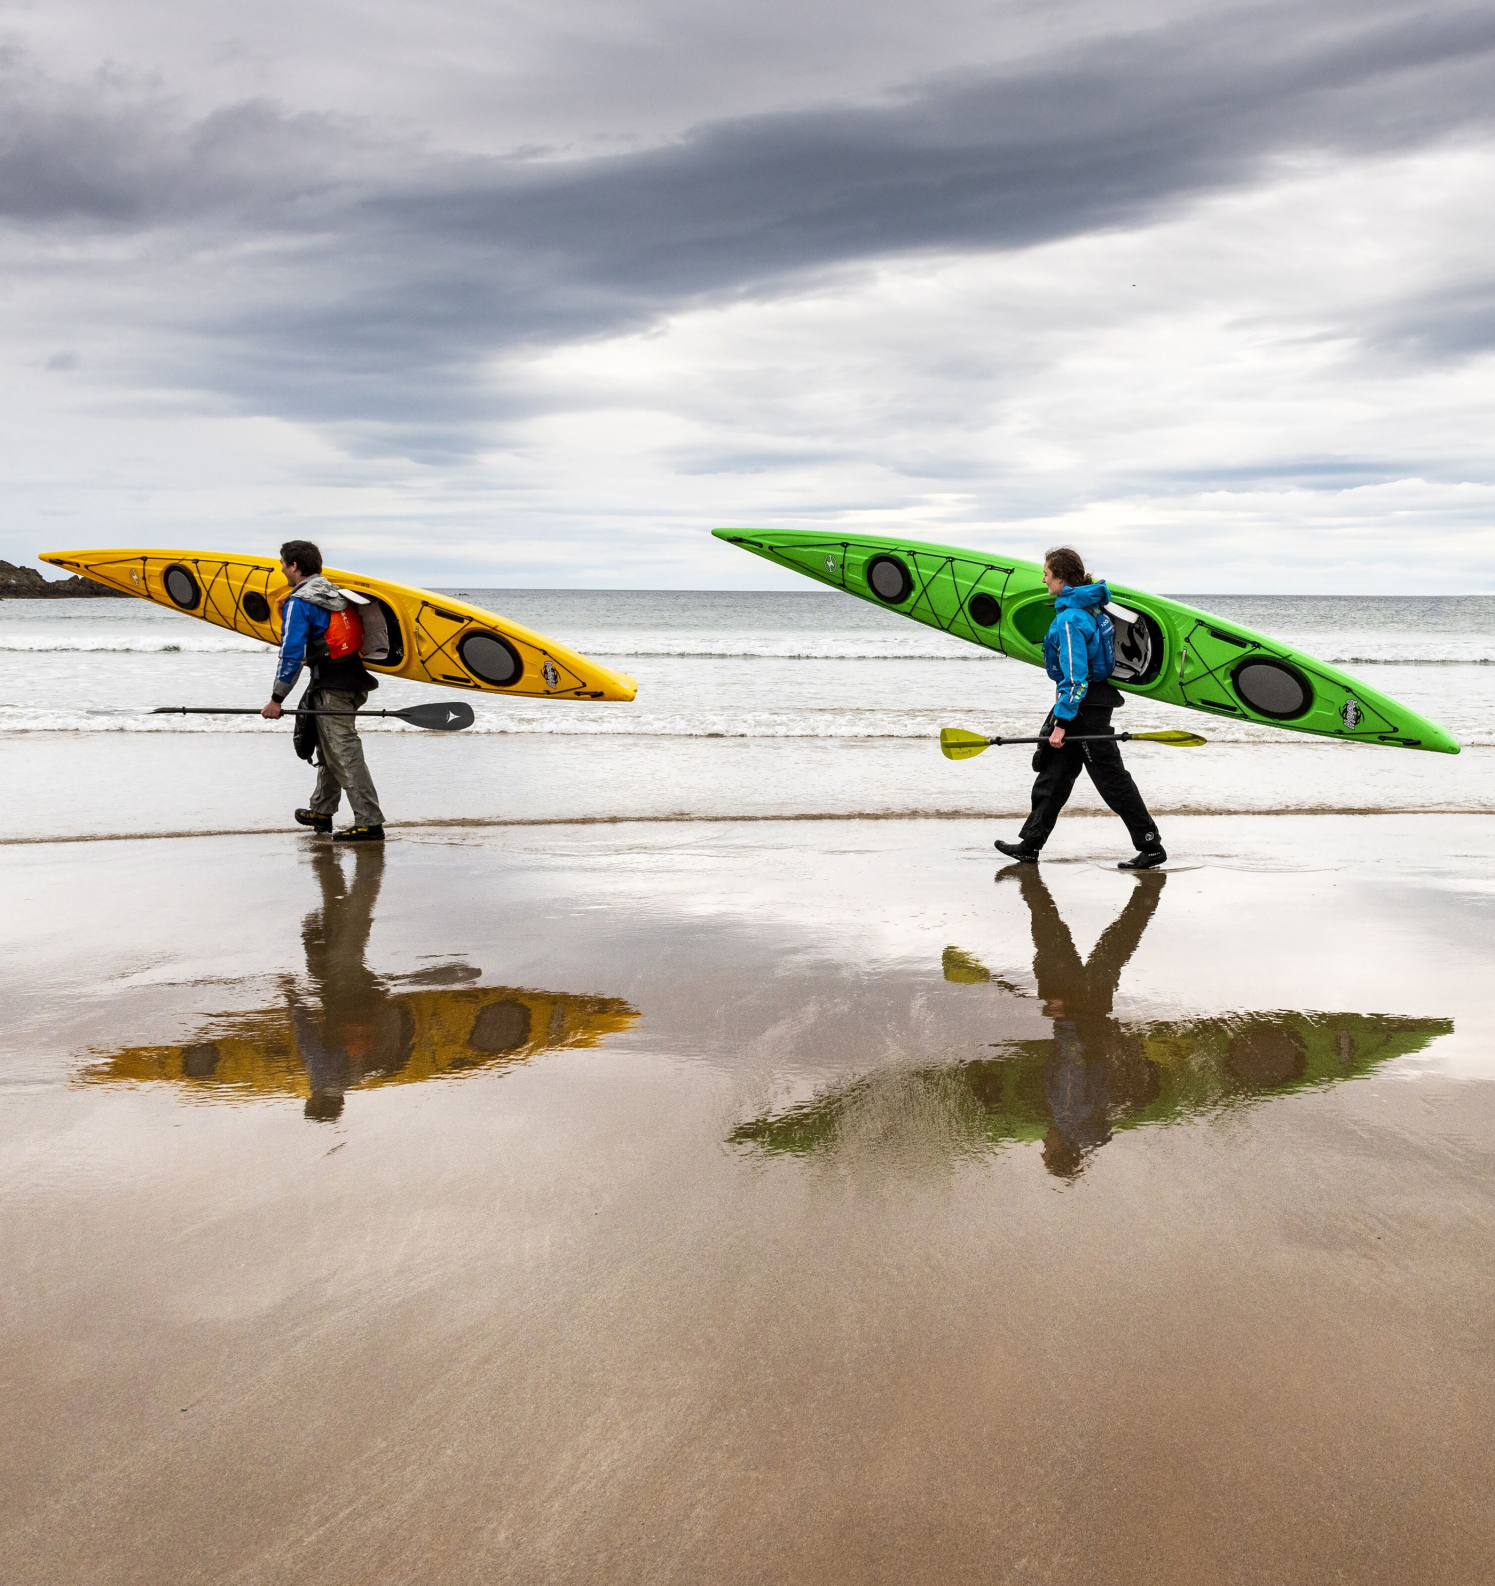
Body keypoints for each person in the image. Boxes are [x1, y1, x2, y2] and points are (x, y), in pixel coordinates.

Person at [994, 547, 1165, 871]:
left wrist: (1061, 722)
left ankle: (1150, 846)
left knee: (1111, 780)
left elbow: (1076, 676)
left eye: (1047, 573)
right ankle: (1030, 845)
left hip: (1085, 706)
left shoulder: (1071, 618)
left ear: (1061, 577)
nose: (1043, 579)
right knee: (1054, 775)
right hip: (1088, 700)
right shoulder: (1092, 609)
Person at [261, 539, 386, 842]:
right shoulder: (335, 593)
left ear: (294, 566)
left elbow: (290, 654)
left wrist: (277, 699)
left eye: (283, 563)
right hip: (351, 680)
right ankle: (322, 810)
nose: (281, 569)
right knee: (329, 747)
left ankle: (370, 823)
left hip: (333, 688)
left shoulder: (300, 601)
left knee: (344, 752)